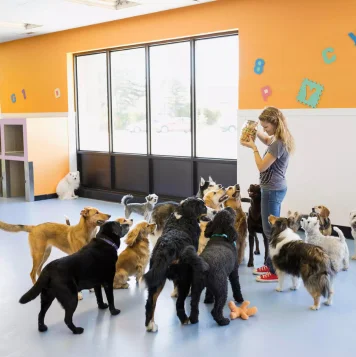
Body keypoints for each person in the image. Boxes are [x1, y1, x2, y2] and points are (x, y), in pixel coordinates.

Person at [240, 106, 295, 282]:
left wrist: (253, 148)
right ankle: (269, 263)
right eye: (262, 127)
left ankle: (273, 271)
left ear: (275, 123)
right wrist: (253, 131)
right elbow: (266, 138)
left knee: (270, 231)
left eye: (267, 127)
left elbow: (262, 166)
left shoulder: (278, 143)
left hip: (272, 190)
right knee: (269, 230)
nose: (265, 130)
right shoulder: (277, 138)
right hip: (273, 188)